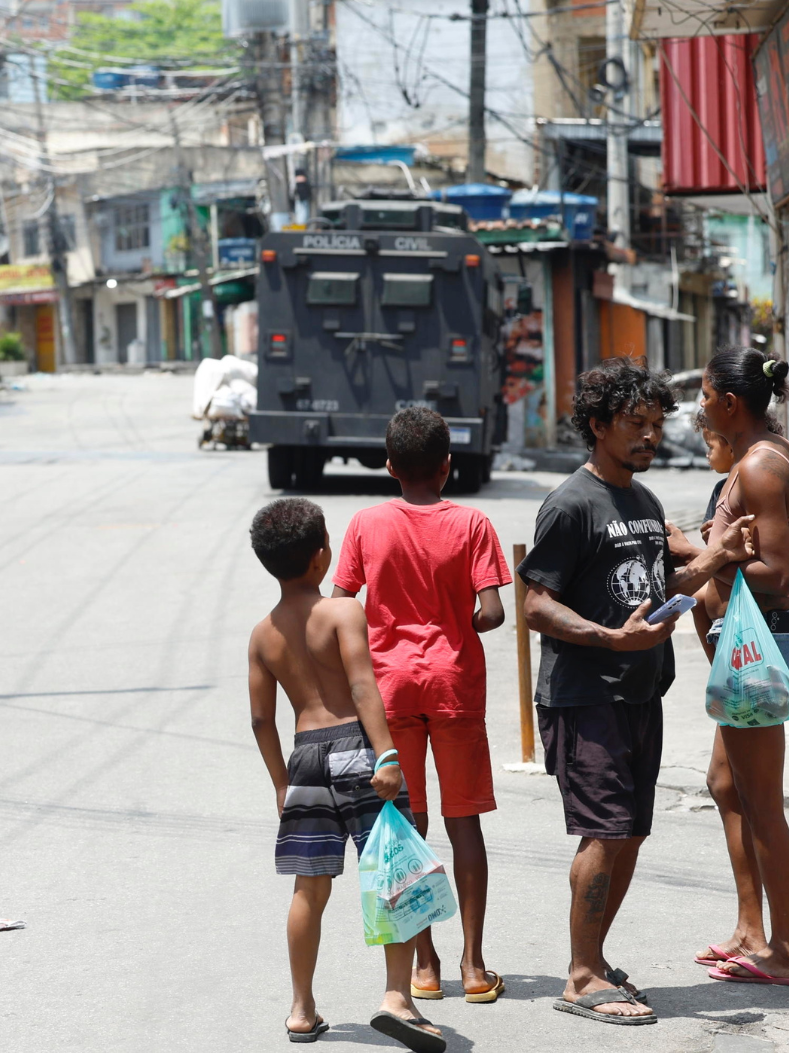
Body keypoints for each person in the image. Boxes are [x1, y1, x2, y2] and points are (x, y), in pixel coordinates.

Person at [517, 357, 754, 1025]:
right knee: (603, 831)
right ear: (597, 426)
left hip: (638, 691)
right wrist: (606, 638)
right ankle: (581, 977)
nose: (650, 436)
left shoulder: (645, 504)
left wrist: (712, 556)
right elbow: (534, 603)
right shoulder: (571, 503)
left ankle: (595, 958)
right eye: (634, 424)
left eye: (656, 424)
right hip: (585, 693)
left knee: (628, 833)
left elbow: (662, 588)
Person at [248, 497, 447, 1052]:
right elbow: (363, 687)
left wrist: (282, 785)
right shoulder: (342, 612)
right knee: (394, 874)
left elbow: (262, 719)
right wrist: (386, 756)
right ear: (321, 558)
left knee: (308, 889)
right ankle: (396, 997)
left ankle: (301, 1009)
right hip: (359, 748)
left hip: (306, 756)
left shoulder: (262, 635)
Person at [331, 407, 511, 1004]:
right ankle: (476, 966)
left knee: (407, 824)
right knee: (465, 822)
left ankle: (425, 966)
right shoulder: (473, 523)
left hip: (389, 692)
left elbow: (340, 603)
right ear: (447, 467)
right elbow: (491, 611)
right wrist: (452, 625)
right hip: (454, 686)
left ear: (388, 467)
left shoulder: (365, 524)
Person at [684, 347, 789, 987]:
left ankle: (783, 948)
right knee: (726, 784)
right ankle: (752, 929)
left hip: (763, 643)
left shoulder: (760, 466)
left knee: (760, 798)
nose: (699, 406)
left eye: (702, 394)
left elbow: (776, 574)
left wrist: (704, 554)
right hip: (746, 643)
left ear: (730, 401)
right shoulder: (760, 458)